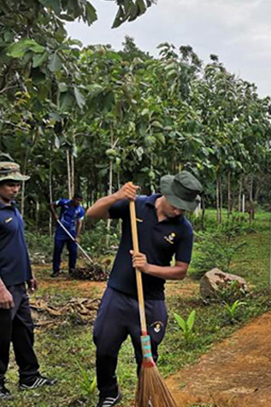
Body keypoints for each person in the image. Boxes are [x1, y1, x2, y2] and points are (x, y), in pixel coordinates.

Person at [86, 171, 202, 407]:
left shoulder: (183, 230)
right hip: (117, 292)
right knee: (104, 346)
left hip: (150, 300)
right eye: (176, 205)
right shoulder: (135, 206)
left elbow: (180, 271)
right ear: (167, 194)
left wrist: (149, 267)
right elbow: (92, 214)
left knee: (147, 354)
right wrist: (116, 196)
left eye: (184, 208)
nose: (179, 211)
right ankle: (108, 393)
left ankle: (147, 396)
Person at [0, 162, 57, 401]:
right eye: (11, 184)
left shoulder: (12, 208)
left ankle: (29, 376)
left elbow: (17, 245)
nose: (16, 188)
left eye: (18, 184)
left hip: (18, 283)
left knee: (24, 331)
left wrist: (28, 273)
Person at [49, 193, 85, 277]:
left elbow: (79, 223)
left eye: (80, 201)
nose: (78, 202)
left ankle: (72, 270)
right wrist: (54, 215)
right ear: (73, 198)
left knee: (73, 252)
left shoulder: (80, 210)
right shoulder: (64, 202)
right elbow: (51, 205)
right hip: (60, 231)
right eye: (77, 200)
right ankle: (56, 270)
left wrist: (77, 236)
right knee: (57, 250)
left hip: (71, 233)